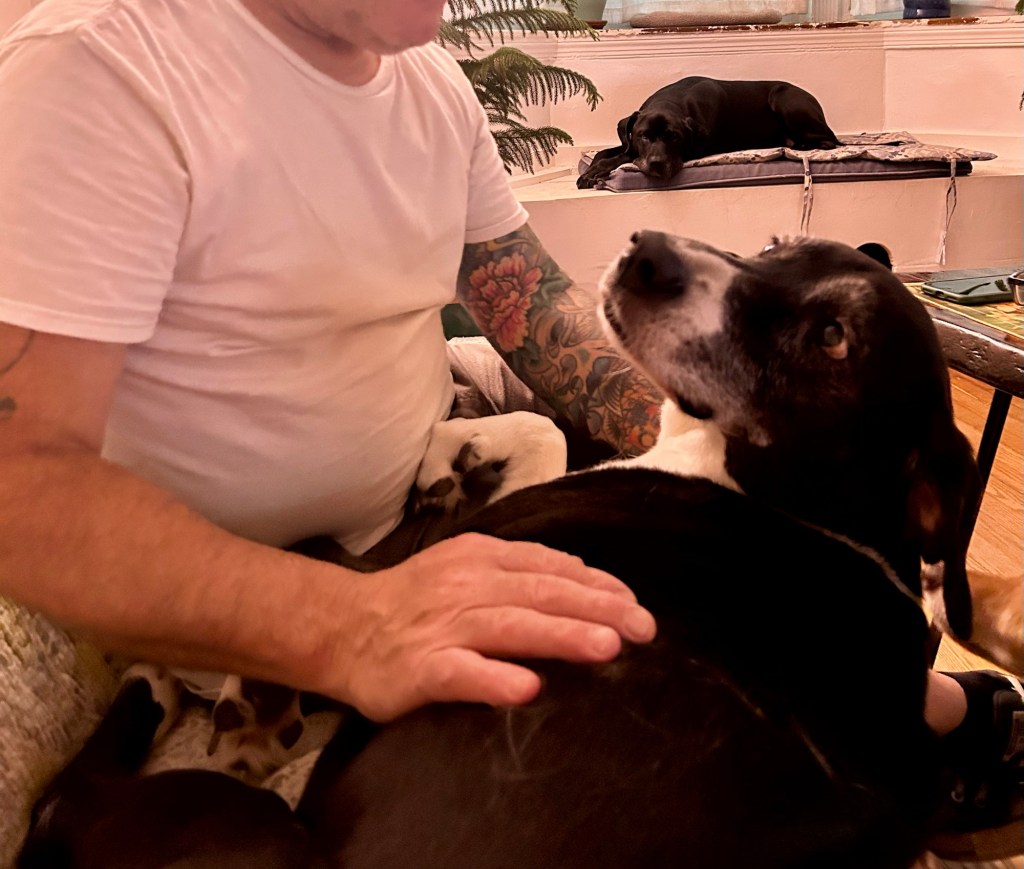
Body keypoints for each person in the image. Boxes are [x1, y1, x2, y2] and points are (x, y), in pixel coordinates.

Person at [0, 0, 1018, 858]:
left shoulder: (426, 84)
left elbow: (534, 311)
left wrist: (711, 472)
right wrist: (349, 623)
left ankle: (919, 702)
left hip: (425, 499)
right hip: (259, 599)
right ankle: (930, 714)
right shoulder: (104, 67)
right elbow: (18, 484)